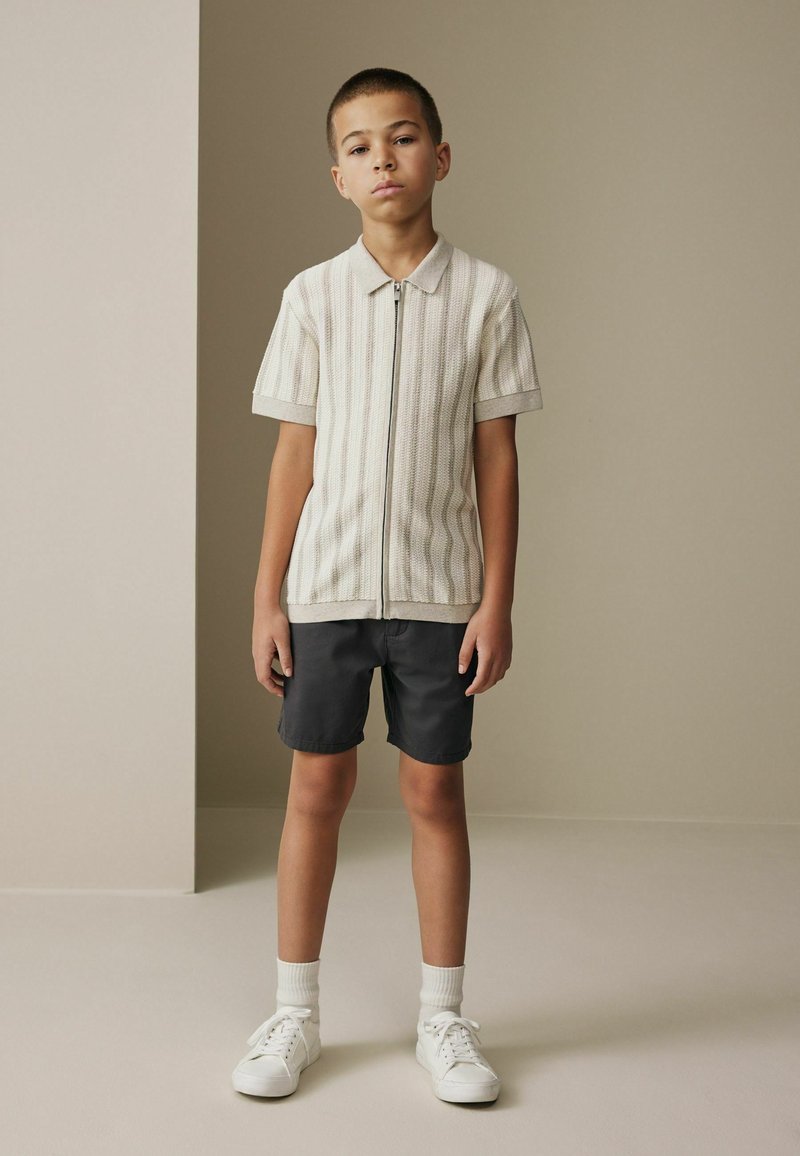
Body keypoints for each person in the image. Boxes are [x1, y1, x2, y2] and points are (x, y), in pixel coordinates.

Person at [232, 67, 543, 1105]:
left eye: (402, 139)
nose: (383, 160)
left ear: (439, 157)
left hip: (438, 595)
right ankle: (294, 1011)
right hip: (323, 593)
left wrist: (495, 600)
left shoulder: (487, 296)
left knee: (433, 791)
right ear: (338, 175)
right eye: (359, 146)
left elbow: (496, 458)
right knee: (314, 790)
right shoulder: (312, 296)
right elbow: (293, 456)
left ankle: (443, 1017)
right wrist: (268, 597)